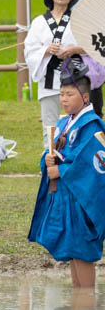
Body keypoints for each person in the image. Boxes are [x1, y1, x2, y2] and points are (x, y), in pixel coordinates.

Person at [30, 60, 105, 288]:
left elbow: (93, 165)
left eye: (69, 94)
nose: (63, 99)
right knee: (73, 252)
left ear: (85, 98)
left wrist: (59, 170)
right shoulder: (66, 123)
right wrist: (48, 159)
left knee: (82, 253)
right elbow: (53, 151)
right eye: (61, 94)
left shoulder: (93, 126)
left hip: (81, 201)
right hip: (66, 198)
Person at [24, 0, 85, 148]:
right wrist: (46, 50)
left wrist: (74, 50)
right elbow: (29, 49)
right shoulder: (38, 23)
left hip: (73, 77)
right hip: (48, 79)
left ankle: (73, 162)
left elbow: (90, 45)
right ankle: (49, 162)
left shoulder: (78, 20)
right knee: (49, 126)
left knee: (76, 123)